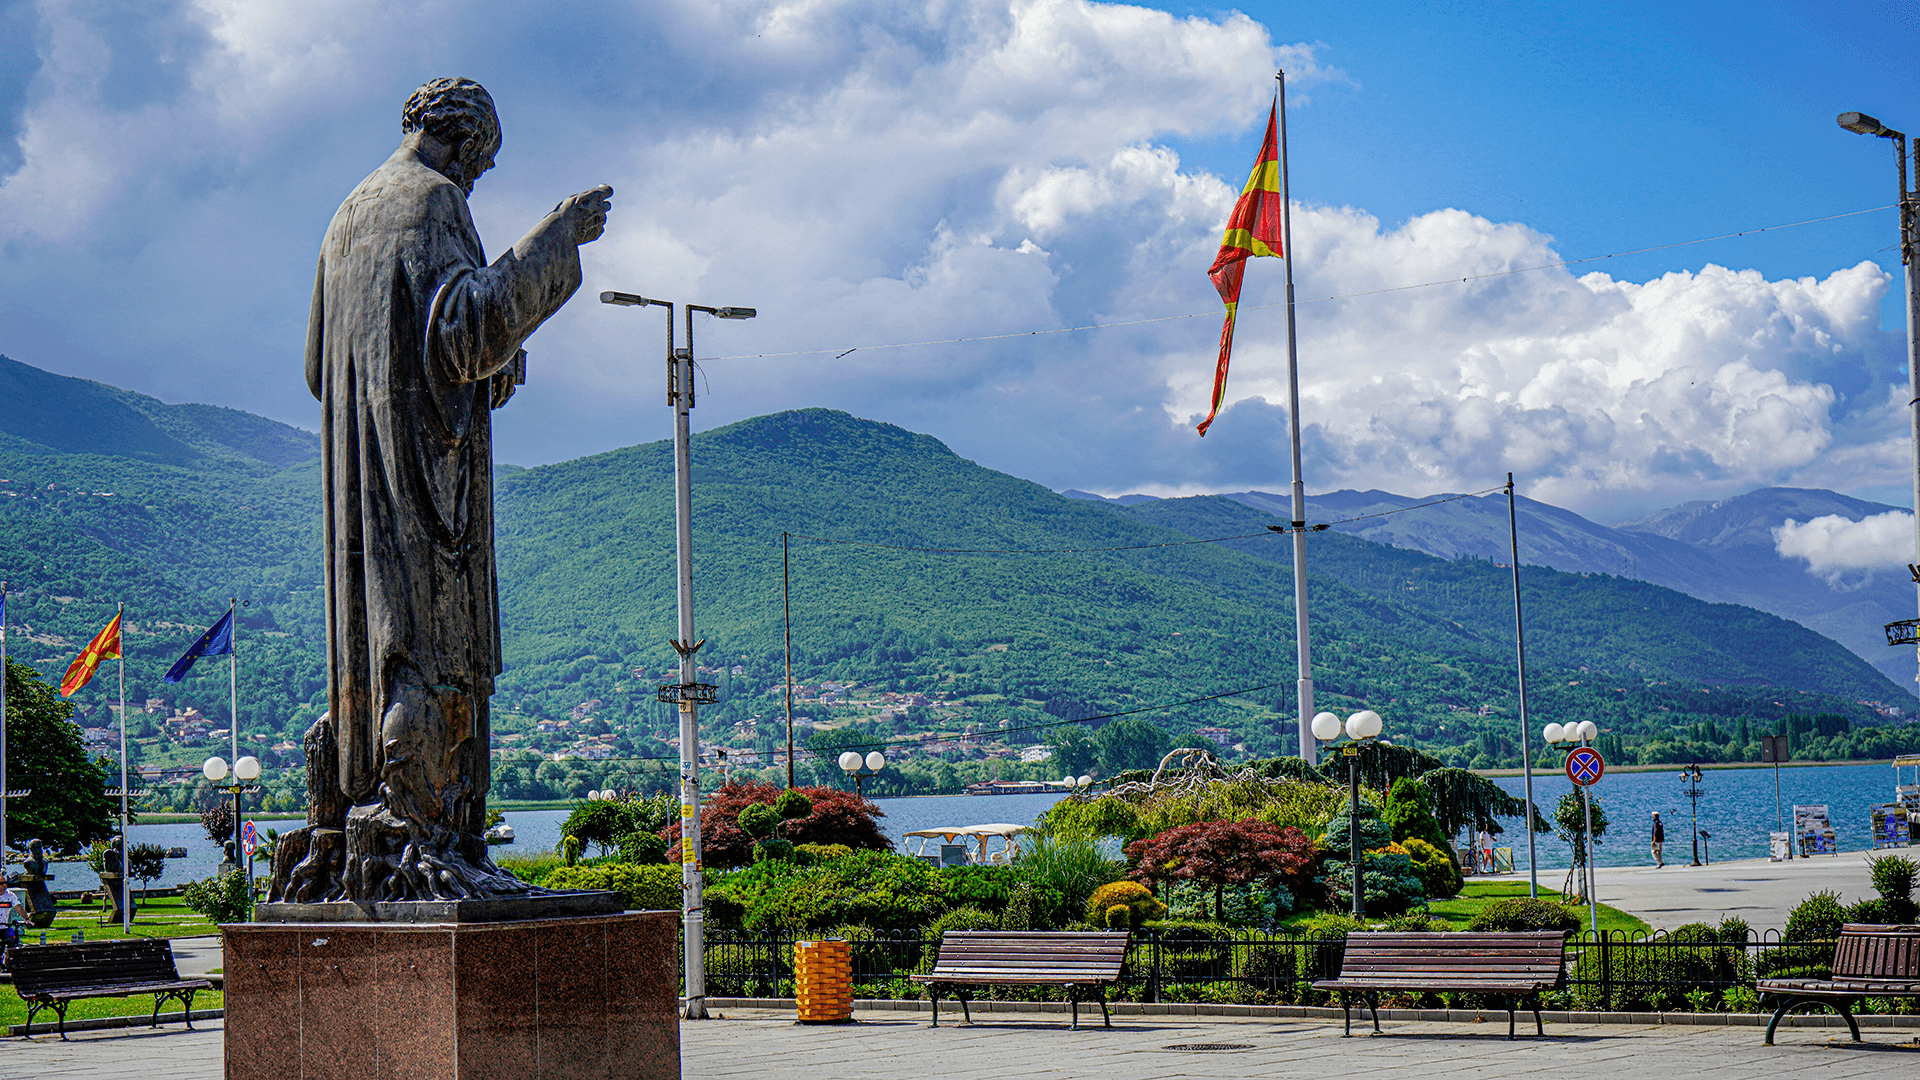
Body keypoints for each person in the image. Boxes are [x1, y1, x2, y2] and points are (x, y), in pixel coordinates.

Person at [295, 76, 613, 903]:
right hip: (424, 480)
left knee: (378, 647)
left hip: (356, 484)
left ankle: (364, 827)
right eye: (486, 159)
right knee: (433, 653)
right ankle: (434, 842)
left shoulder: (348, 214)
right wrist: (557, 236)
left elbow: (318, 367)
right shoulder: (434, 201)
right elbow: (467, 332)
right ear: (468, 142)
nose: (482, 174)